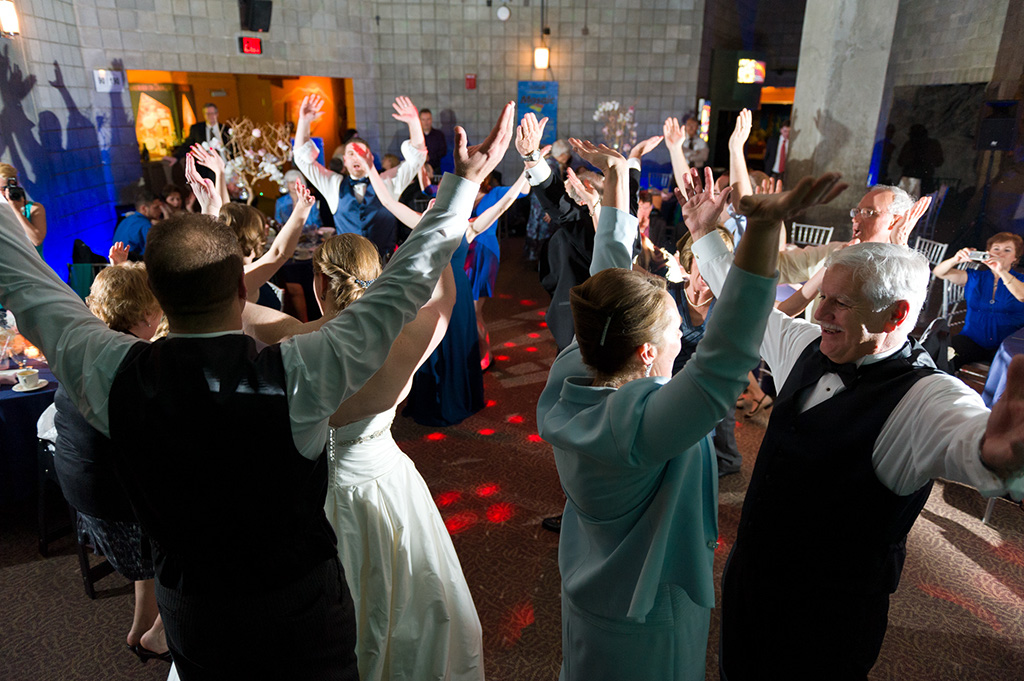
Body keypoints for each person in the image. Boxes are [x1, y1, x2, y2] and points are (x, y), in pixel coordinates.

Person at [0, 101, 517, 680]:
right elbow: (400, 290)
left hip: (194, 614)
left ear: (158, 296)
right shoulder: (298, 370)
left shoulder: (110, 370)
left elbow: (31, 287)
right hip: (300, 620)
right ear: (241, 282)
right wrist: (459, 189)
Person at [537, 134, 845, 680]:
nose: (686, 336)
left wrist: (619, 176)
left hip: (590, 587)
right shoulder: (644, 425)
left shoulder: (575, 369)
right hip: (646, 609)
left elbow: (611, 274)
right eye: (677, 330)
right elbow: (723, 362)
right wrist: (762, 230)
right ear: (649, 350)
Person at [690, 231, 1024, 680]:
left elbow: (967, 434)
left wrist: (995, 456)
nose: (819, 312)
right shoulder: (808, 344)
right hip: (750, 578)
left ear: (897, 314)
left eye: (840, 303)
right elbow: (749, 305)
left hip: (829, 620)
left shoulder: (926, 395)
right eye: (823, 295)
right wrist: (704, 235)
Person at [241, 234, 483, 681]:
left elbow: (227, 298)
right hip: (388, 489)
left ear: (319, 283)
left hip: (308, 499)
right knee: (408, 602)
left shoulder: (290, 338)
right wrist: (444, 239)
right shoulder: (407, 336)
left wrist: (218, 211)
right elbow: (445, 297)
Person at [49, 263, 169, 664]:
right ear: (142, 317)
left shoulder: (85, 341)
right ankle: (163, 633)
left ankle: (141, 628)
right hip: (114, 500)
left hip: (79, 488)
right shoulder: (135, 363)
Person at [294, 94, 427, 260]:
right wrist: (304, 122)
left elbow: (417, 158)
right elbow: (302, 159)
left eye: (361, 153)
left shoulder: (387, 182)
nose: (357, 157)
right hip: (349, 269)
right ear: (345, 161)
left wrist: (414, 123)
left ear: (371, 156)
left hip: (386, 266)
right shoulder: (334, 184)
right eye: (351, 153)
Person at [933, 232, 1024, 370]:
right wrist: (955, 259)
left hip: (1007, 345)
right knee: (941, 359)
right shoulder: (974, 276)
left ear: (1015, 258)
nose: (1000, 253)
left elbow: (1022, 296)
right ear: (987, 253)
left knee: (1014, 371)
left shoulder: (1020, 280)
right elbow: (939, 272)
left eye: (1007, 250)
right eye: (996, 249)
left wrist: (1001, 272)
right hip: (972, 339)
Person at [0, 163, 46, 255]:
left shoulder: (34, 208)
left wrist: (17, 211)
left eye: (3, 189)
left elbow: (36, 240)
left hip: (32, 267)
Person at [112, 190, 162, 257]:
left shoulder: (125, 220)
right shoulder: (145, 225)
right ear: (144, 208)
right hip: (133, 263)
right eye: (156, 207)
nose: (160, 210)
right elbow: (154, 252)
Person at [419, 107, 448, 172]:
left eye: (428, 119)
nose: (426, 122)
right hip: (419, 170)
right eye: (423, 119)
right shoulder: (415, 136)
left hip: (436, 169)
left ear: (431, 119)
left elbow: (443, 151)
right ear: (419, 120)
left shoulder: (439, 135)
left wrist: (429, 157)